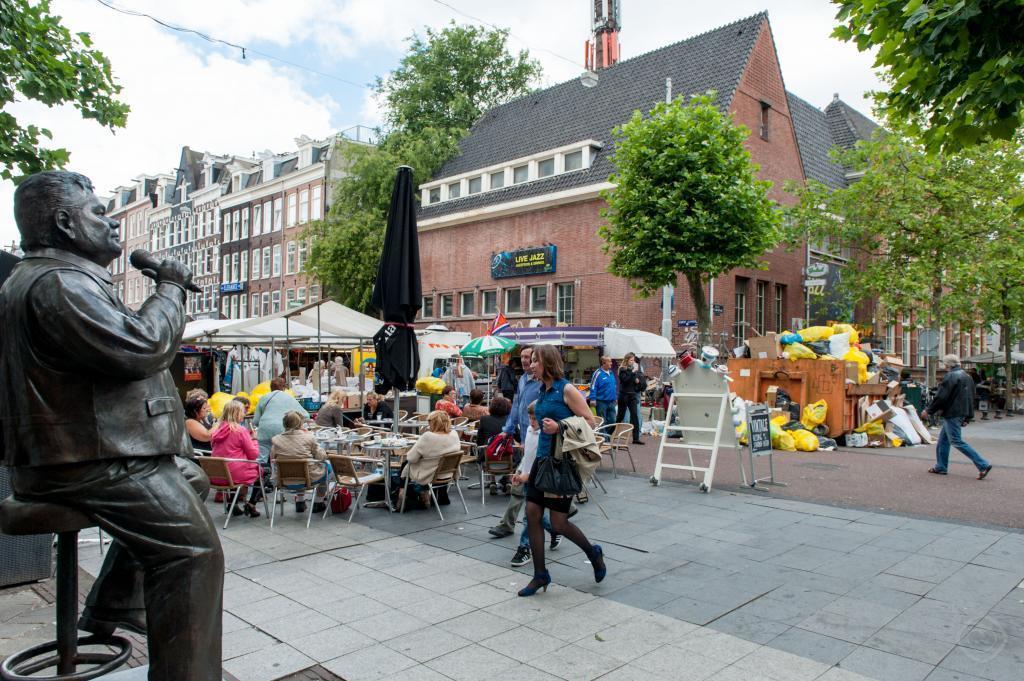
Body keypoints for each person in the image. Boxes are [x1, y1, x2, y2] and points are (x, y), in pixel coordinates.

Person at [0, 170, 222, 678]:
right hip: (86, 464)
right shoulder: (59, 283)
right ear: (63, 223)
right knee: (194, 552)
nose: (112, 225)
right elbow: (143, 348)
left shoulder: (54, 280)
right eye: (99, 214)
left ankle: (113, 604)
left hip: (83, 456)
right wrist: (169, 288)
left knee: (190, 479)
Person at [517, 344, 606, 596]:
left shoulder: (566, 389)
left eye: (534, 360)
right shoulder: (542, 391)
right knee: (532, 512)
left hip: (561, 463)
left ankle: (593, 552)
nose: (530, 364)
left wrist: (560, 426)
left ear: (547, 361)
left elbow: (590, 421)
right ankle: (540, 575)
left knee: (558, 524)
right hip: (541, 462)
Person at [923, 354, 993, 479]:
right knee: (943, 441)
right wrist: (968, 416)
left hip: (952, 413)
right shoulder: (967, 376)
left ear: (948, 365)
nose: (944, 366)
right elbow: (971, 397)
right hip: (960, 412)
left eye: (944, 364)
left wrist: (929, 410)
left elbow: (941, 397)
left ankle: (983, 464)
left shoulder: (950, 376)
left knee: (956, 441)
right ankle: (941, 466)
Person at [509, 401, 559, 567]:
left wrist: (528, 476)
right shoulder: (530, 431)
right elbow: (527, 456)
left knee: (528, 516)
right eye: (529, 418)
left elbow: (543, 462)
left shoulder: (546, 437)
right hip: (527, 478)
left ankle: (524, 548)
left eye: (534, 418)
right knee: (535, 515)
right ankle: (554, 530)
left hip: (537, 479)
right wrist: (520, 471)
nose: (531, 422)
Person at [397, 410, 461, 509]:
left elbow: (411, 458)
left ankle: (401, 496)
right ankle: (426, 495)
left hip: (430, 474)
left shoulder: (428, 436)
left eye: (429, 422)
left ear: (434, 423)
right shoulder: (454, 434)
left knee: (406, 464)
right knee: (425, 461)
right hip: (448, 472)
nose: (428, 424)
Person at [209, 400, 262, 517]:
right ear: (237, 413)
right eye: (243, 412)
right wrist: (254, 440)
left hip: (217, 474)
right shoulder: (240, 430)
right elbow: (253, 455)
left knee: (235, 468)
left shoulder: (217, 429)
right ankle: (251, 504)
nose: (244, 414)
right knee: (264, 471)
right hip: (233, 474)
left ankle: (233, 504)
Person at [271, 410, 330, 513]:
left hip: (284, 480)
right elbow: (321, 457)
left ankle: (300, 501)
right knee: (328, 468)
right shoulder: (309, 438)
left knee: (297, 468)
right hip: (308, 479)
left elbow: (272, 458)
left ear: (284, 423)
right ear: (300, 423)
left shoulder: (276, 440)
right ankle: (318, 502)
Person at [253, 376, 309, 464]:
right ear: (284, 387)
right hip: (282, 431)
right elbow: (306, 415)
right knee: (280, 458)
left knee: (261, 459)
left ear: (271, 387)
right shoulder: (289, 398)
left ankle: (260, 475)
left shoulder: (264, 398)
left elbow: (255, 421)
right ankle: (277, 475)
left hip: (264, 430)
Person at [502, 347, 541, 443]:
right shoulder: (522, 380)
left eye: (527, 357)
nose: (523, 360)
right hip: (524, 434)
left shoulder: (541, 382)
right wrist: (507, 430)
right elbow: (516, 406)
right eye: (522, 357)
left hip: (537, 435)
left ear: (534, 360)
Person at [617, 352, 645, 444]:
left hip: (632, 395)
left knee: (635, 416)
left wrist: (638, 381)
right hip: (624, 395)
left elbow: (637, 382)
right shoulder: (622, 369)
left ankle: (636, 438)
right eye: (631, 360)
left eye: (633, 360)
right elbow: (624, 380)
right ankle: (610, 433)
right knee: (620, 416)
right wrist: (632, 374)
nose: (633, 362)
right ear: (627, 360)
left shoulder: (634, 371)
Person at [589, 356, 618, 433]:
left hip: (611, 401)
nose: (611, 363)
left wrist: (615, 397)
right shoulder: (597, 373)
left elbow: (614, 386)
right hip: (601, 402)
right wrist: (592, 398)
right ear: (604, 363)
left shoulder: (611, 373)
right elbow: (593, 386)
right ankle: (604, 439)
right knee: (602, 422)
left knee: (612, 421)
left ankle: (607, 436)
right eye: (609, 361)